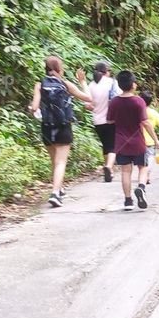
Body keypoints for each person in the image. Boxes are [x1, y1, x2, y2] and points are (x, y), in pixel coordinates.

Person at [29, 55, 93, 208]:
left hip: (46, 127)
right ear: (59, 69)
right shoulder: (66, 84)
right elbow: (88, 98)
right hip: (63, 126)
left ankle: (59, 188)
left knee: (54, 161)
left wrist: (31, 109)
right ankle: (55, 193)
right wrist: (83, 81)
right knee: (61, 162)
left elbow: (34, 107)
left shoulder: (39, 84)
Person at [109, 70, 159, 210]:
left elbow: (109, 120)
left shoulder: (114, 102)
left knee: (126, 171)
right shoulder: (139, 101)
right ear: (133, 85)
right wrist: (156, 140)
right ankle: (141, 187)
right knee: (143, 167)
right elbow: (145, 122)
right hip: (138, 141)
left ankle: (128, 201)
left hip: (121, 142)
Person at [87, 61, 118, 181]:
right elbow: (118, 99)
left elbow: (88, 105)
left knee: (105, 145)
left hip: (97, 121)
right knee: (113, 146)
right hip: (111, 120)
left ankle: (109, 171)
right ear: (106, 72)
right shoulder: (112, 82)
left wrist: (96, 108)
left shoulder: (91, 85)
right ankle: (109, 166)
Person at [140, 88, 159, 180]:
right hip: (150, 140)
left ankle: (143, 175)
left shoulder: (137, 111)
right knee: (150, 158)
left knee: (141, 160)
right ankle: (147, 175)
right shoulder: (154, 113)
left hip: (139, 139)